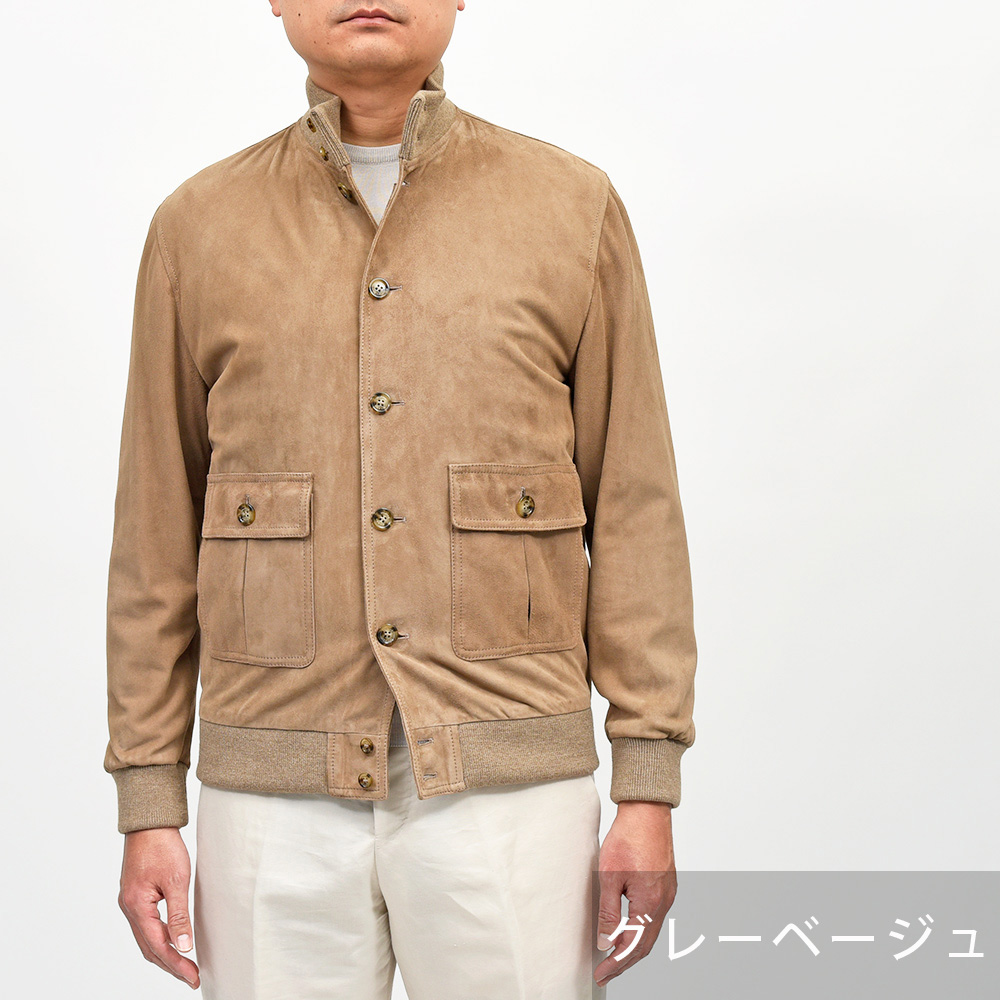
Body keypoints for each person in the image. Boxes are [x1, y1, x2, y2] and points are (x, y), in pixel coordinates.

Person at [104, 2, 698, 997]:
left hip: (512, 780)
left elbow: (636, 503)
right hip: (270, 784)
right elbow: (154, 535)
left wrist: (647, 782)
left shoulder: (569, 206)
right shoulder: (198, 225)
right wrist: (148, 799)